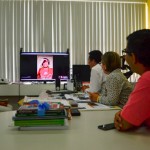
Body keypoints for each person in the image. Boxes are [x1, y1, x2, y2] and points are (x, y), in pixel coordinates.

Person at [114, 29, 150, 131]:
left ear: (133, 57)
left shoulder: (147, 79)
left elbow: (124, 123)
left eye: (126, 52)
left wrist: (123, 115)